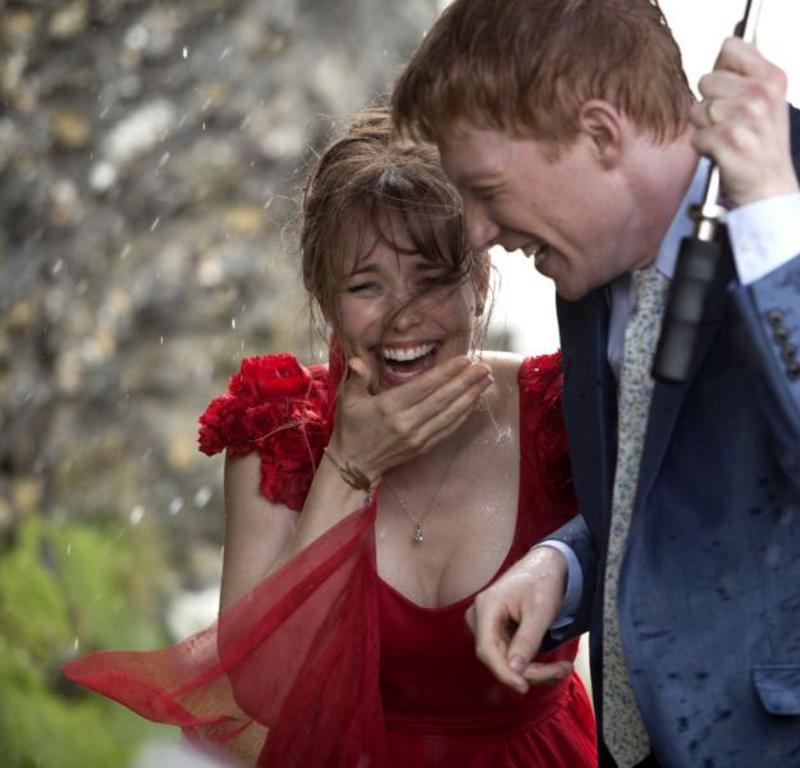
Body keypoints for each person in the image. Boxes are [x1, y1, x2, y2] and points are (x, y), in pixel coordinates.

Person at [390, 1, 800, 765]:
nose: (477, 230)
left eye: (488, 189)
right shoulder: (583, 257)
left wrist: (773, 224)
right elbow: (688, 480)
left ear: (601, 134)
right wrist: (565, 564)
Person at [64, 107, 597, 767]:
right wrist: (348, 467)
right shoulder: (279, 430)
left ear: (480, 279)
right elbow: (265, 690)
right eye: (367, 285)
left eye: (432, 279)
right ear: (324, 298)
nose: (404, 317)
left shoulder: (558, 411)